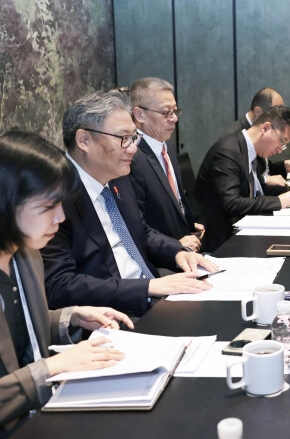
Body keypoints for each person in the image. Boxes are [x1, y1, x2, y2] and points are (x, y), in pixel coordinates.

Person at [41, 91, 217, 317]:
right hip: (111, 316)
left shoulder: (119, 178)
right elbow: (60, 285)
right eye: (124, 138)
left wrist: (177, 253)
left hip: (152, 296)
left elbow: (141, 231)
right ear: (84, 140)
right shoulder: (53, 197)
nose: (133, 148)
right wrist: (147, 288)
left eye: (134, 137)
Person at [0, 130, 133, 429]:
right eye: (48, 207)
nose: (60, 218)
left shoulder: (27, 254)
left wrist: (71, 317)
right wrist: (50, 368)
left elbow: (16, 329)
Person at [195, 105, 290, 253]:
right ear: (265, 128)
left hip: (241, 232)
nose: (280, 150)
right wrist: (279, 201)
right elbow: (231, 204)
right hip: (221, 242)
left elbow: (259, 189)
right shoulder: (228, 152)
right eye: (282, 142)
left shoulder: (251, 151)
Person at [128, 77, 205, 252]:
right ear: (139, 114)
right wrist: (175, 245)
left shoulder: (167, 146)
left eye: (175, 111)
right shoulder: (131, 157)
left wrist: (188, 224)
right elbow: (137, 224)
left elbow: (175, 198)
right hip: (159, 256)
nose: (174, 119)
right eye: (165, 112)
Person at [220, 87, 290, 187]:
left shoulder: (263, 133)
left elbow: (262, 168)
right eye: (275, 111)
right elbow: (238, 181)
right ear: (258, 112)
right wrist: (265, 180)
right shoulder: (232, 140)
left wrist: (283, 166)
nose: (282, 116)